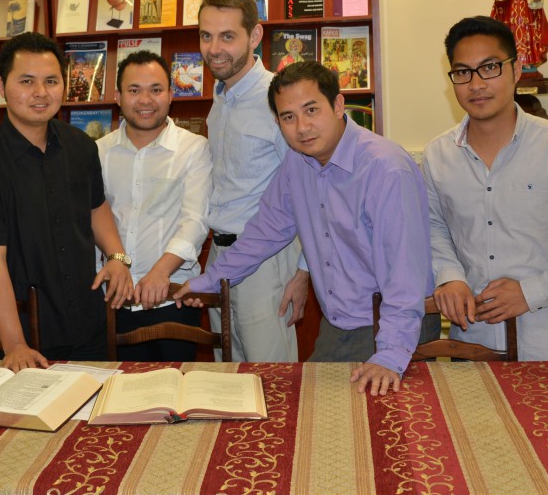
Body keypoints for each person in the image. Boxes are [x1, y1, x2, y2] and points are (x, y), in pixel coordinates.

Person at [176, 61, 435, 394]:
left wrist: (390, 354)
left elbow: (405, 272)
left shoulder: (386, 169)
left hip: (389, 328)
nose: (302, 127)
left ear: (338, 105)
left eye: (311, 110)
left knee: (367, 432)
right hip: (340, 323)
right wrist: (209, 281)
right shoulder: (297, 163)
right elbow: (265, 231)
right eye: (288, 117)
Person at [423, 16, 548, 361]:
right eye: (462, 72)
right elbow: (434, 226)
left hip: (547, 344)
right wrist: (450, 277)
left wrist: (532, 292)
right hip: (469, 341)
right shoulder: (438, 154)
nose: (476, 84)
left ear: (515, 70)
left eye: (489, 67)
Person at [0, 33, 133, 371]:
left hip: (89, 323)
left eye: (51, 81)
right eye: (27, 81)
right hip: (27, 334)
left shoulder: (81, 147)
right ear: (1, 86)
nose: (40, 92)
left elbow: (96, 207)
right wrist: (15, 344)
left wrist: (117, 256)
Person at [198, 0, 305, 362]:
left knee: (272, 382)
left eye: (228, 36)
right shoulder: (221, 98)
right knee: (227, 378)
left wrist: (304, 271)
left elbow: (307, 187)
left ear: (255, 36)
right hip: (219, 256)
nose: (215, 49)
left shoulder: (278, 99)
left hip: (267, 262)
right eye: (206, 36)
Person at [97, 50, 212, 361]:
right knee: (114, 399)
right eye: (134, 90)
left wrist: (160, 273)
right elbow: (94, 218)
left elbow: (195, 221)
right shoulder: (98, 152)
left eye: (156, 90)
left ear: (171, 95)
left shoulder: (194, 149)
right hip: (111, 301)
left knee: (174, 398)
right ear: (118, 96)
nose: (145, 100)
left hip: (172, 300)